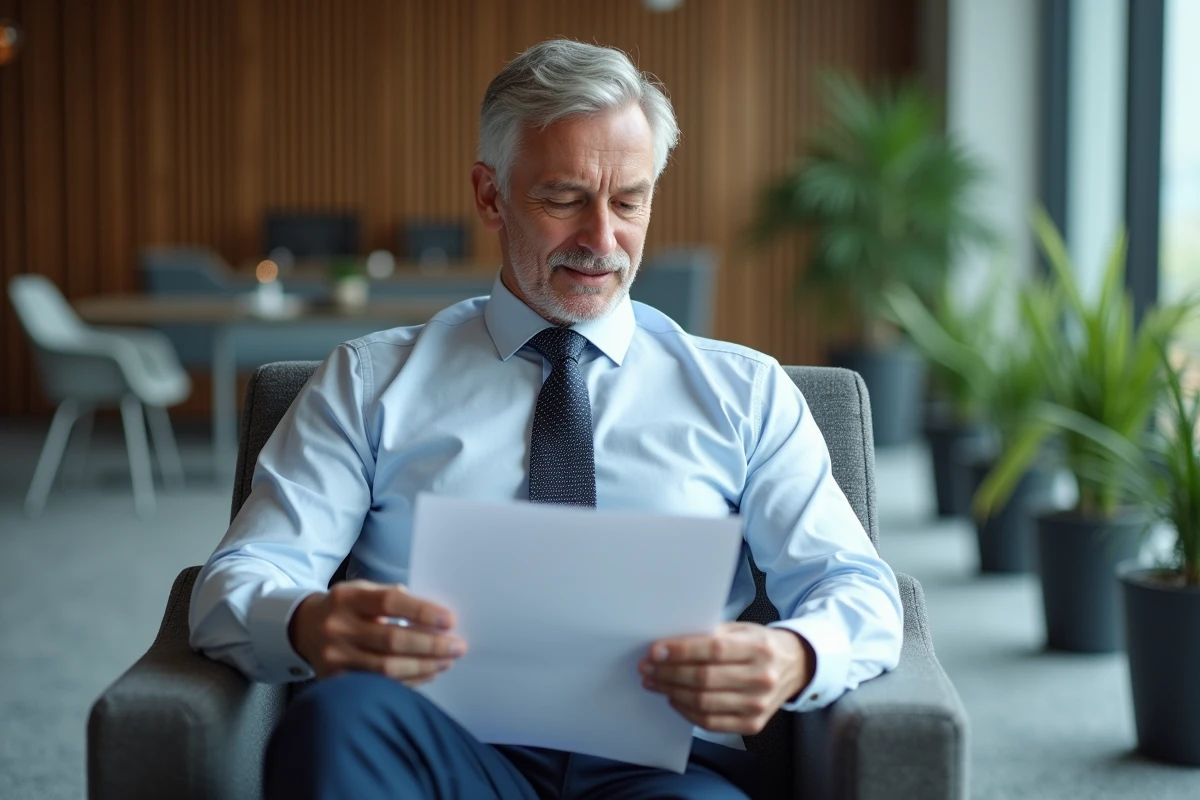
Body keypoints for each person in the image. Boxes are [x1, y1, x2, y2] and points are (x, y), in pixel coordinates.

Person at [189, 39, 903, 800]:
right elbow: (237, 579)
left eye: (628, 201)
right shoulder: (369, 383)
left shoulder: (746, 393)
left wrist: (796, 654)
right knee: (338, 721)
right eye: (564, 199)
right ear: (490, 196)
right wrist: (304, 623)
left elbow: (857, 587)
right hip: (439, 751)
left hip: (665, 771)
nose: (602, 240)